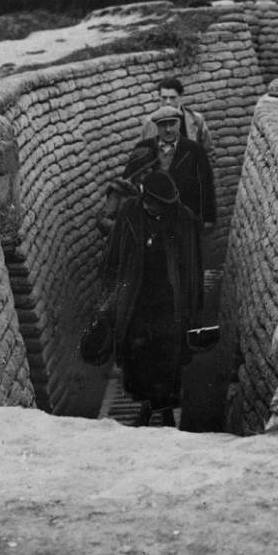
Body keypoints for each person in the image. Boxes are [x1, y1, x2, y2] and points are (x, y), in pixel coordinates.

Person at [100, 170, 203, 427]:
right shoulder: (130, 213)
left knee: (168, 359)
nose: (149, 208)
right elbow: (113, 257)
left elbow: (193, 270)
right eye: (147, 203)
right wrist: (109, 297)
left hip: (169, 302)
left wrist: (193, 311)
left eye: (154, 205)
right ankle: (146, 408)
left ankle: (166, 411)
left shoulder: (184, 220)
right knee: (139, 358)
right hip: (137, 300)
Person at [124, 105, 217, 231]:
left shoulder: (194, 150)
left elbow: (206, 184)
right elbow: (131, 178)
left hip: (185, 217)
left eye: (172, 124)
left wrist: (208, 218)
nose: (168, 129)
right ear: (156, 126)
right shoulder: (144, 148)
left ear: (179, 124)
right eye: (163, 125)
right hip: (151, 218)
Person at [139, 77, 213, 161]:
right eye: (164, 97)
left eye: (172, 97)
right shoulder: (150, 122)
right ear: (159, 97)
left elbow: (209, 152)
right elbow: (142, 154)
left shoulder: (196, 119)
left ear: (181, 96)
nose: (168, 102)